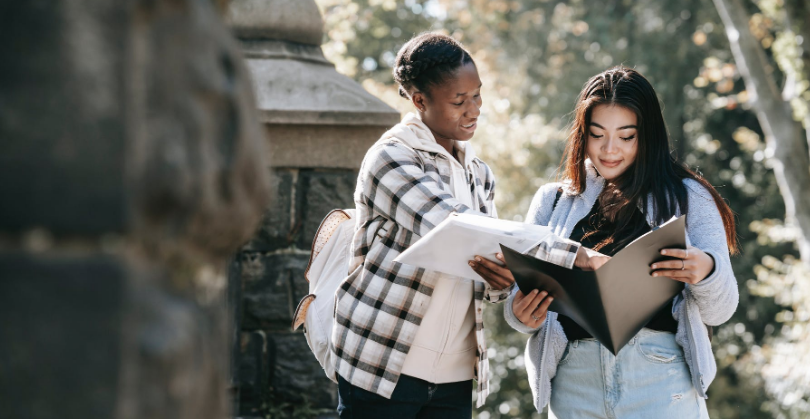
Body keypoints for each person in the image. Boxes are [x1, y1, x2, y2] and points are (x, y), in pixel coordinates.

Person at [330, 33, 589, 419]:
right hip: (383, 366)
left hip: (454, 375)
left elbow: (487, 277)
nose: (474, 110)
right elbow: (453, 224)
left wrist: (501, 280)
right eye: (458, 101)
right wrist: (577, 255)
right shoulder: (391, 158)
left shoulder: (478, 174)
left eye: (477, 95)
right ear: (420, 101)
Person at [472, 67, 739, 418]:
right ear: (583, 134)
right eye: (598, 135)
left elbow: (722, 309)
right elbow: (522, 304)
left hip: (660, 380)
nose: (610, 150)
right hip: (574, 385)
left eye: (626, 137)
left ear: (648, 137)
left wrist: (706, 269)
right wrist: (521, 313)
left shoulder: (689, 198)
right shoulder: (551, 201)